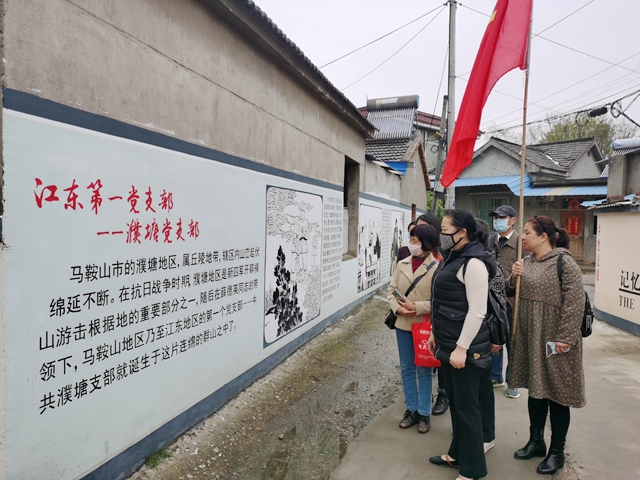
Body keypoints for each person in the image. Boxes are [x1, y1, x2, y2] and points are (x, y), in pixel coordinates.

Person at [508, 215, 586, 475]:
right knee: (535, 391)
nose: (524, 237)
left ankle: (557, 452)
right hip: (531, 336)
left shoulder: (565, 263)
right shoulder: (526, 262)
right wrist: (513, 276)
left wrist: (564, 339)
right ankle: (536, 441)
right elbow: (512, 293)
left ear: (543, 236)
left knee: (557, 395)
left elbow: (575, 305)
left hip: (556, 340)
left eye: (528, 232)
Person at [428, 209, 496, 480]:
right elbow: (442, 302)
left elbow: (477, 311)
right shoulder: (452, 257)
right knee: (456, 404)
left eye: (445, 230)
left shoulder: (474, 263)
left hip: (464, 349)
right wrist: (435, 332)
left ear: (462, 232)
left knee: (467, 408)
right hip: (446, 341)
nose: (441, 235)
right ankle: (455, 454)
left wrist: (461, 348)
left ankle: (473, 470)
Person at [387, 224, 440, 434]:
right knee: (407, 368)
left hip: (424, 326)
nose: (412, 244)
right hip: (402, 324)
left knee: (425, 370)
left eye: (416, 241)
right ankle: (412, 410)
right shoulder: (402, 264)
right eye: (411, 239)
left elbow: (439, 302)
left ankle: (425, 413)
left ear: (426, 244)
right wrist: (398, 308)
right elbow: (391, 291)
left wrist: (416, 308)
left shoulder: (437, 268)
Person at [416, 213, 449, 416]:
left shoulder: (444, 255)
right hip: (419, 316)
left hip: (439, 315)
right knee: (423, 356)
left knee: (441, 358)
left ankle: (443, 394)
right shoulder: (413, 254)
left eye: (424, 228)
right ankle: (424, 396)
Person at [488, 205, 521, 398]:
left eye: (502, 217)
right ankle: (495, 375)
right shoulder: (491, 241)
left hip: (513, 300)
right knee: (495, 336)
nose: (497, 220)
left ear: (512, 220)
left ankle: (512, 380)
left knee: (512, 341)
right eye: (495, 217)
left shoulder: (520, 243)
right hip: (493, 299)